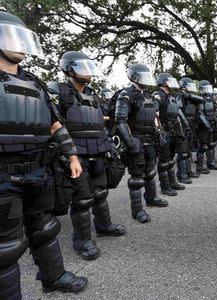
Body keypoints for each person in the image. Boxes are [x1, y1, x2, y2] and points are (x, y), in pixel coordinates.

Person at [0, 10, 88, 298]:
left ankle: (54, 277)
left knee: (46, 228)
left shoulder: (36, 83)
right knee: (6, 246)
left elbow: (55, 125)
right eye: (14, 37)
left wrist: (72, 156)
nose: (21, 45)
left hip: (39, 171)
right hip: (3, 176)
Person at [57, 51, 127, 260]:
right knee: (82, 200)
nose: (88, 73)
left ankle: (104, 226)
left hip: (98, 149)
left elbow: (102, 118)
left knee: (100, 193)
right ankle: (82, 241)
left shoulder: (93, 94)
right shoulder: (59, 92)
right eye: (83, 68)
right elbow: (54, 124)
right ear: (70, 69)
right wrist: (67, 156)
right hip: (76, 153)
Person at [113, 64, 168, 224]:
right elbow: (120, 121)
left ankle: (151, 198)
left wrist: (159, 133)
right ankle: (137, 211)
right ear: (135, 76)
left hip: (150, 139)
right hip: (136, 139)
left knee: (150, 172)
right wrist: (130, 143)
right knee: (136, 179)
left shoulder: (148, 95)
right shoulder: (126, 94)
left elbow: (154, 116)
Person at [154, 73, 186, 195]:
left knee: (171, 160)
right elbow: (154, 113)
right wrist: (159, 131)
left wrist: (181, 130)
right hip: (164, 131)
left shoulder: (171, 96)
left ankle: (173, 182)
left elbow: (176, 115)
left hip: (173, 131)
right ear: (164, 82)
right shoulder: (158, 95)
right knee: (163, 162)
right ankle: (165, 187)